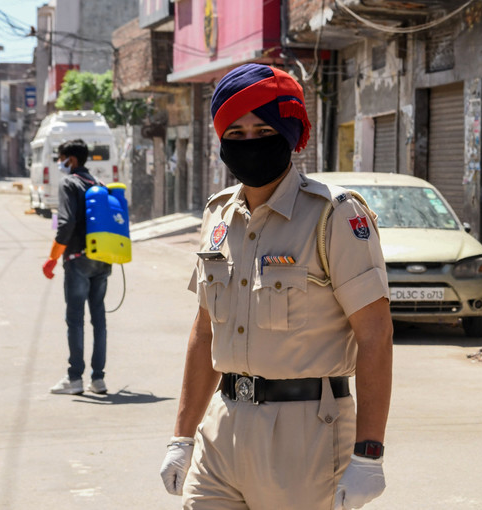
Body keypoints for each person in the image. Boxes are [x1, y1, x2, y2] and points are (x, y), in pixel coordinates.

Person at [158, 64, 393, 510]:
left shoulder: (334, 215)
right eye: (237, 132)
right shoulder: (217, 216)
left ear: (289, 134)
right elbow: (205, 330)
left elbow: (376, 334)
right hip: (222, 429)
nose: (250, 143)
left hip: (305, 437)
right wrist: (182, 437)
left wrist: (369, 453)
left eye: (263, 128)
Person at [42, 138, 112, 395]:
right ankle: (99, 379)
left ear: (71, 160)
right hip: (103, 259)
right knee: (99, 320)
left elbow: (66, 222)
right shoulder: (99, 184)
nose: (60, 163)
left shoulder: (69, 183)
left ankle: (74, 379)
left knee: (75, 320)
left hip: (77, 260)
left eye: (61, 158)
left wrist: (52, 257)